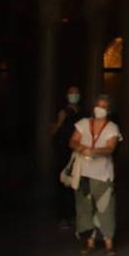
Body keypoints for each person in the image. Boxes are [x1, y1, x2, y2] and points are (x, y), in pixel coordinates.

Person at [68, 94, 121, 256]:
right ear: (93, 107)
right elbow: (72, 141)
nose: (100, 109)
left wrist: (95, 151)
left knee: (106, 207)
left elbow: (111, 147)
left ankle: (108, 243)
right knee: (84, 207)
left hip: (103, 174)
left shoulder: (112, 127)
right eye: (98, 106)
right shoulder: (83, 124)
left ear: (108, 110)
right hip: (83, 173)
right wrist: (81, 148)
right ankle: (89, 242)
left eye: (104, 107)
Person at [48, 86, 83, 227]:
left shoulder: (83, 113)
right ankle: (63, 216)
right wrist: (60, 121)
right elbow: (51, 133)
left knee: (78, 183)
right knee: (63, 183)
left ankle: (75, 214)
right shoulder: (61, 112)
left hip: (79, 152)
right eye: (71, 93)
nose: (74, 96)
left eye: (76, 93)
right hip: (63, 152)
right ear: (66, 95)